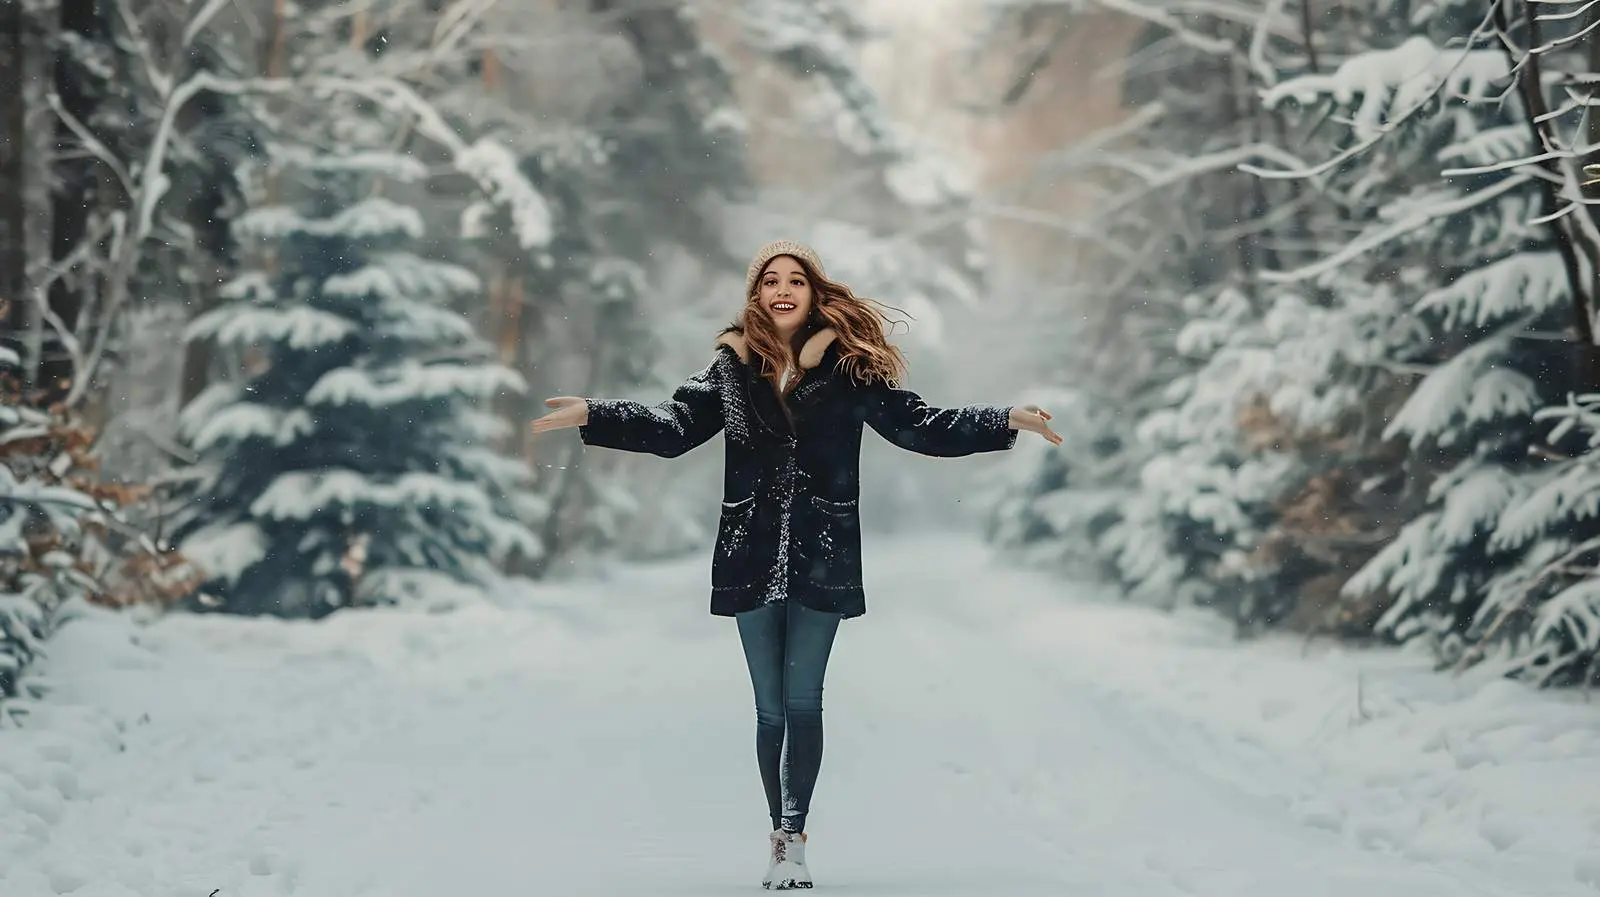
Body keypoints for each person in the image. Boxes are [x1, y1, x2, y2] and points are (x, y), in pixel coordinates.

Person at [530, 240, 1061, 890]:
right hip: (748, 552)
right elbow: (672, 427)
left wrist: (1003, 418)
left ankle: (793, 837)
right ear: (756, 295)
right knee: (769, 708)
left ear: (814, 293)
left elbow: (921, 425)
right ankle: (779, 835)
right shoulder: (731, 369)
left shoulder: (849, 371)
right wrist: (595, 412)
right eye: (770, 280)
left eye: (795, 280)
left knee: (803, 698)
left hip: (825, 553)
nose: (782, 289)